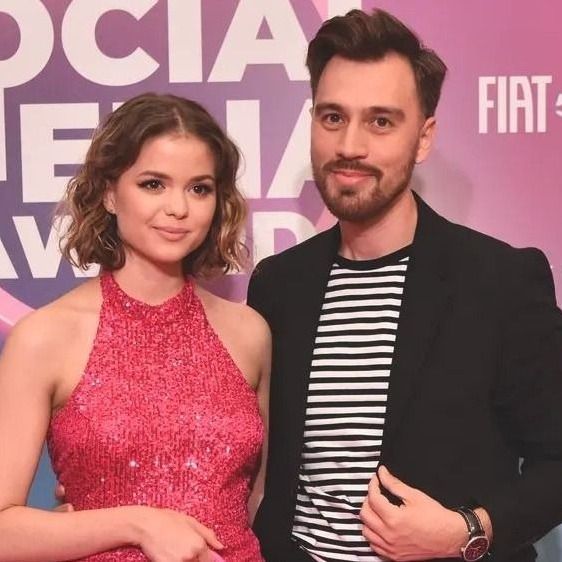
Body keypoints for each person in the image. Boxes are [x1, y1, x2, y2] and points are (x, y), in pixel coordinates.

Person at [247, 8, 562, 562]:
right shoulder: (278, 285)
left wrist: (466, 531)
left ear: (423, 137)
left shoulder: (502, 282)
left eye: (381, 122)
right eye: (333, 117)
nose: (350, 145)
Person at [0, 93, 270, 562]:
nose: (178, 208)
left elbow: (261, 499)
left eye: (199, 188)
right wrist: (138, 523)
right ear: (109, 192)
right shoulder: (45, 337)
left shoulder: (248, 333)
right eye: (153, 184)